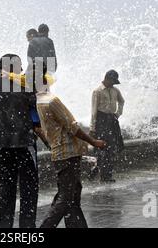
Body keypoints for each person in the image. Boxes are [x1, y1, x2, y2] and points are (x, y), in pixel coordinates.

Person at [34, 65, 107, 228]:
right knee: (66, 198)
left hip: (60, 153)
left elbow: (39, 129)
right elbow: (72, 126)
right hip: (68, 153)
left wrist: (51, 145)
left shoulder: (38, 101)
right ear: (45, 81)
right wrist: (93, 142)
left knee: (73, 194)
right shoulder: (52, 101)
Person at [0, 54, 39, 228]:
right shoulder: (25, 86)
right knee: (29, 188)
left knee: (6, 187)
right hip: (25, 144)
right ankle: (27, 228)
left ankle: (5, 226)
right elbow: (36, 112)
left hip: (4, 144)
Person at [90, 70, 125, 183]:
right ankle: (103, 174)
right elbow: (94, 111)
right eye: (112, 81)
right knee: (102, 148)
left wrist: (118, 114)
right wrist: (92, 128)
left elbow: (122, 101)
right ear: (107, 79)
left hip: (112, 120)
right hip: (101, 120)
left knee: (112, 148)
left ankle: (105, 173)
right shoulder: (97, 91)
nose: (113, 84)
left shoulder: (115, 90)